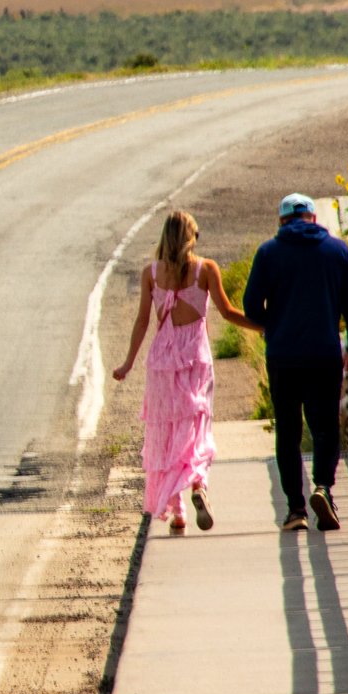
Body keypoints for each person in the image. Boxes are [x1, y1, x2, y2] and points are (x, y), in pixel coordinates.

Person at [113, 209, 247, 535]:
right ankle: (198, 484)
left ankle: (178, 513)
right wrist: (265, 325)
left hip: (161, 362)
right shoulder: (205, 269)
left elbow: (143, 321)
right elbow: (228, 312)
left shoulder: (151, 273)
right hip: (195, 360)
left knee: (168, 435)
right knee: (196, 429)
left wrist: (128, 362)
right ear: (191, 238)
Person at [242, 192, 348, 533]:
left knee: (289, 431)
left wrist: (276, 323)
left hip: (283, 356)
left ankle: (296, 509)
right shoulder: (337, 252)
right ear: (313, 218)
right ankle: (323, 487)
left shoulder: (268, 253)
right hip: (325, 355)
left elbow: (251, 306)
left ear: (282, 221)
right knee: (325, 427)